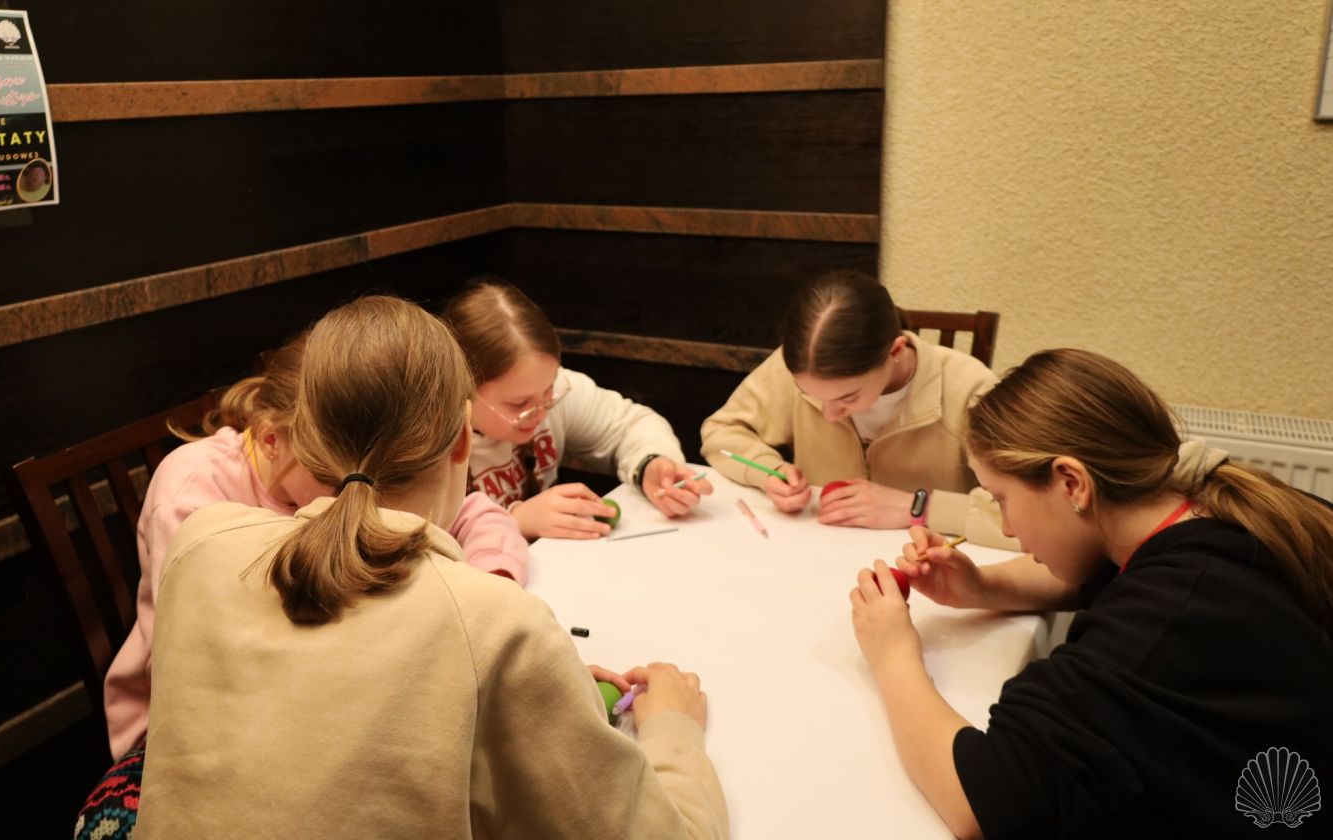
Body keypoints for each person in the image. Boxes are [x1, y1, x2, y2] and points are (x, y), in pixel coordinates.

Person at [134, 297, 728, 838]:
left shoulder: (200, 544)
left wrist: (520, 678)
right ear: (463, 441)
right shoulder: (496, 626)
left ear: (307, 437)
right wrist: (672, 729)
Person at [850, 349, 1333, 839]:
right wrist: (982, 586)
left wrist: (893, 655)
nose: (1009, 528)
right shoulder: (1209, 516)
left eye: (1002, 499)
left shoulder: (1162, 624)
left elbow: (984, 801)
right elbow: (1094, 573)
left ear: (1071, 483)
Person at [102, 331, 527, 761]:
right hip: (192, 723)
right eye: (328, 469)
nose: (357, 491)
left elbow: (475, 513)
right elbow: (211, 652)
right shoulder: (193, 497)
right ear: (272, 441)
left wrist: (489, 583)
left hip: (326, 690)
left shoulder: (344, 479)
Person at [701, 270, 1014, 547]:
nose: (828, 415)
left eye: (848, 397)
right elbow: (721, 431)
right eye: (808, 394)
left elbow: (1032, 511)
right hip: (819, 551)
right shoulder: (804, 365)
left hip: (929, 566)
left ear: (895, 351)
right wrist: (769, 472)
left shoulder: (971, 389)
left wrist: (918, 507)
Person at [444, 278, 711, 539]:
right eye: (519, 404)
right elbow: (425, 539)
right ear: (464, 389)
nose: (541, 412)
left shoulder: (549, 391)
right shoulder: (432, 437)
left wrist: (650, 465)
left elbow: (630, 424)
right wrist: (516, 520)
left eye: (549, 389)